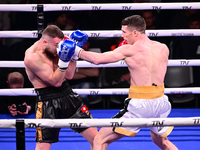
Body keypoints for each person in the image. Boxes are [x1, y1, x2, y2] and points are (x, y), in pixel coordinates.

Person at [71, 15, 178, 149]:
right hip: (161, 102)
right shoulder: (163, 48)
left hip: (140, 104)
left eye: (124, 32)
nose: (122, 36)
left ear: (135, 32)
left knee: (100, 140)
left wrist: (76, 51)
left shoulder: (129, 50)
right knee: (162, 142)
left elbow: (98, 59)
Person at [24, 25, 98, 150]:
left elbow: (69, 75)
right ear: (45, 42)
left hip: (68, 95)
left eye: (60, 43)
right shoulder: (32, 57)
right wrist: (64, 60)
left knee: (97, 139)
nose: (58, 48)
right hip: (47, 102)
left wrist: (74, 54)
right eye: (56, 45)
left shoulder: (59, 45)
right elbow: (55, 81)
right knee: (42, 147)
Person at [68, 40, 100, 107]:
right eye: (80, 43)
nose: (82, 45)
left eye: (84, 43)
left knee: (85, 87)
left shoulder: (91, 56)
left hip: (90, 87)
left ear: (88, 44)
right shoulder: (71, 56)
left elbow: (95, 72)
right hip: (72, 87)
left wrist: (77, 70)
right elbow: (69, 75)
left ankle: (83, 115)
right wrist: (87, 73)